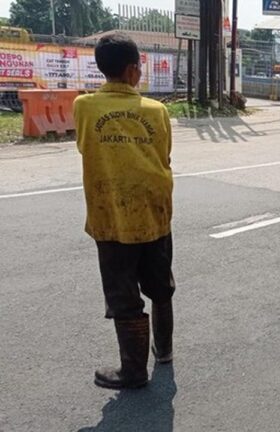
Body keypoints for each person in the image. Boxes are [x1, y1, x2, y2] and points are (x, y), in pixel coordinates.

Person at [73, 33, 175, 389]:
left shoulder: (84, 107)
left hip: (112, 220)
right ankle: (164, 352)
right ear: (134, 70)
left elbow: (84, 147)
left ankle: (133, 370)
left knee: (124, 296)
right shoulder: (157, 111)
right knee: (161, 288)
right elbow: (164, 157)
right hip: (155, 215)